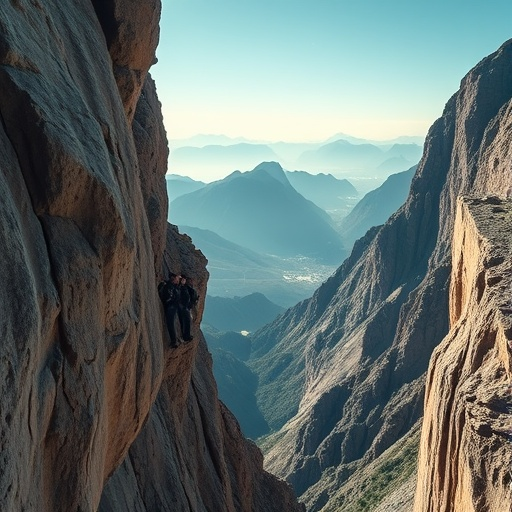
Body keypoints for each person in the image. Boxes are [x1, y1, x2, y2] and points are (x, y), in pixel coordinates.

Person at [158, 273, 181, 347]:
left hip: (171, 307)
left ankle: (174, 341)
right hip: (171, 306)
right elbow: (168, 296)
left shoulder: (172, 286)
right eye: (177, 278)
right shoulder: (170, 286)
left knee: (170, 323)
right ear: (173, 278)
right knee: (170, 323)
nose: (178, 280)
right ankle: (173, 341)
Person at [177, 276, 199, 342]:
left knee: (187, 321)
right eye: (183, 279)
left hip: (186, 306)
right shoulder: (180, 287)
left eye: (185, 280)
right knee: (185, 321)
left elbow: (191, 294)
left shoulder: (186, 287)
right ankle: (186, 336)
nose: (184, 281)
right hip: (182, 307)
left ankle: (186, 335)